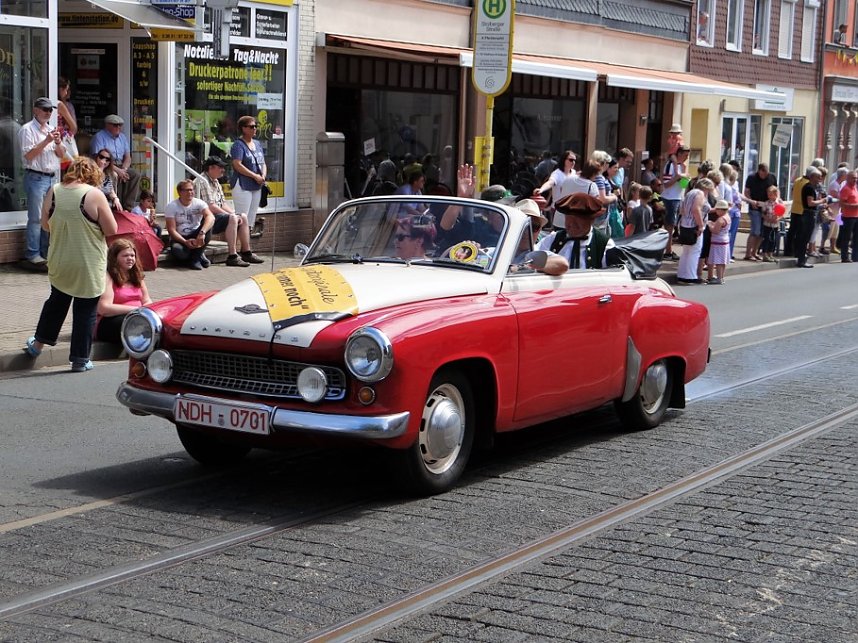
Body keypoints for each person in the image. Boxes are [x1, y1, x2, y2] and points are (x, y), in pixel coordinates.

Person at [22, 156, 117, 372]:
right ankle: (80, 359)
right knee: (86, 310)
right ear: (93, 175)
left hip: (60, 260)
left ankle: (37, 346)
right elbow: (111, 229)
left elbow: (45, 225)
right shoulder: (94, 194)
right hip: (87, 262)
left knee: (56, 303)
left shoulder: (54, 190)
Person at [18, 97, 66, 265]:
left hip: (52, 178)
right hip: (36, 177)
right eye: (45, 109)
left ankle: (45, 253)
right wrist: (46, 141)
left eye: (50, 110)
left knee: (49, 216)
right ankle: (33, 254)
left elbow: (61, 154)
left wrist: (58, 143)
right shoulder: (27, 130)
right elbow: (28, 155)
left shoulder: (52, 129)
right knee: (36, 217)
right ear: (35, 110)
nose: (48, 113)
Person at [194, 156, 264, 265]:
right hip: (204, 219)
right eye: (220, 167)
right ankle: (232, 256)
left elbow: (223, 204)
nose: (223, 170)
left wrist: (234, 213)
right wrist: (232, 216)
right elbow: (210, 206)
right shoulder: (202, 181)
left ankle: (246, 252)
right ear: (211, 168)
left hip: (216, 216)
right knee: (233, 218)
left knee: (243, 216)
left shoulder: (215, 181)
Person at [538, 193, 616, 270]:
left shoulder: (604, 245)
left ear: (591, 220)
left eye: (578, 219)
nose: (571, 223)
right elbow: (534, 258)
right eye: (568, 218)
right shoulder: (552, 240)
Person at [95, 238, 153, 344]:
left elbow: (147, 300)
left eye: (132, 255)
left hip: (136, 316)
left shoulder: (137, 276)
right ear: (114, 258)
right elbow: (103, 308)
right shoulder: (108, 277)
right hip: (110, 320)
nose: (130, 258)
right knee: (137, 325)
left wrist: (148, 311)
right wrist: (136, 310)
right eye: (125, 256)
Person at [89, 114, 141, 211]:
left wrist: (124, 169)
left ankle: (128, 207)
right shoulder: (99, 137)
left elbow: (128, 157)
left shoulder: (122, 137)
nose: (118, 127)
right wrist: (118, 171)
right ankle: (115, 206)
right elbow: (99, 158)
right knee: (115, 175)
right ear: (107, 125)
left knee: (135, 174)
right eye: (115, 125)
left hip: (121, 165)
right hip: (106, 164)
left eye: (120, 125)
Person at [165, 179, 218, 270]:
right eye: (187, 190)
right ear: (179, 192)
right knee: (179, 252)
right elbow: (171, 230)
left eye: (191, 190)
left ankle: (195, 259)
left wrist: (202, 233)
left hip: (196, 234)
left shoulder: (199, 203)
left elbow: (211, 217)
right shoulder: (172, 206)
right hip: (180, 237)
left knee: (209, 225)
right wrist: (185, 242)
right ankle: (199, 254)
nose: (190, 192)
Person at [230, 114, 267, 229]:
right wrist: (254, 176)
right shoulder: (238, 145)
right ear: (243, 128)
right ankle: (237, 240)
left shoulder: (257, 144)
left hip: (256, 185)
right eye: (251, 126)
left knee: (251, 219)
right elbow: (237, 164)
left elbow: (262, 162)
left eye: (255, 126)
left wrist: (263, 175)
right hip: (243, 185)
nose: (254, 128)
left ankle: (247, 240)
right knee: (242, 218)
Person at [676, 177, 715, 285]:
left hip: (685, 224)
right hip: (694, 225)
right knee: (694, 251)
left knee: (686, 251)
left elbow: (682, 210)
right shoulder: (700, 194)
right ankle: (690, 276)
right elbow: (695, 209)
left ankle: (682, 275)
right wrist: (701, 225)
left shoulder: (690, 193)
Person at [660, 145, 690, 261]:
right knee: (669, 226)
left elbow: (683, 185)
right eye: (685, 155)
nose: (687, 157)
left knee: (673, 226)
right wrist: (678, 176)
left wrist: (683, 176)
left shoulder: (682, 166)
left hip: (677, 197)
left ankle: (669, 249)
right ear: (679, 154)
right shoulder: (670, 165)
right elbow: (666, 184)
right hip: (669, 198)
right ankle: (668, 250)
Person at [743, 163, 777, 261]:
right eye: (763, 173)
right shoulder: (752, 177)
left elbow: (776, 190)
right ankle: (748, 253)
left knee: (762, 233)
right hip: (755, 206)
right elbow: (746, 191)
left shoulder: (772, 177)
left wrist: (777, 199)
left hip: (767, 207)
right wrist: (751, 201)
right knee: (756, 231)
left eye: (767, 173)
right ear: (759, 171)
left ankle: (755, 252)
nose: (765, 176)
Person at [534, 150, 576, 229]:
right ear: (564, 160)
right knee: (559, 231)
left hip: (570, 210)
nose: (573, 162)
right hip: (558, 209)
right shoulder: (557, 174)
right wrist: (541, 189)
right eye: (571, 160)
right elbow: (550, 183)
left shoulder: (574, 173)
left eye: (574, 160)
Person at [796, 168, 826, 268]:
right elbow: (810, 203)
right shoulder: (809, 188)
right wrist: (822, 201)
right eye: (818, 177)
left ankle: (802, 259)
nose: (820, 179)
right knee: (805, 238)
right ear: (812, 177)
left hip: (809, 213)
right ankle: (801, 260)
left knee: (806, 237)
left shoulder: (812, 187)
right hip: (808, 214)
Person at [706, 199, 731, 284]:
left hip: (718, 241)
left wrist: (709, 225)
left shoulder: (720, 219)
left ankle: (719, 278)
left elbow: (715, 231)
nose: (716, 211)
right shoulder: (727, 217)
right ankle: (722, 277)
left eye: (717, 209)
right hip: (725, 240)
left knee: (718, 261)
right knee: (723, 260)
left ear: (721, 209)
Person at [759, 185, 785, 263]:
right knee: (766, 239)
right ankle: (765, 255)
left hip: (775, 225)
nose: (769, 196)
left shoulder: (779, 202)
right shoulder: (766, 203)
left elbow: (782, 213)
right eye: (768, 195)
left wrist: (778, 219)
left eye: (771, 194)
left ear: (775, 194)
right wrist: (767, 218)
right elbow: (763, 213)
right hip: (767, 224)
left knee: (773, 240)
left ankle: (771, 254)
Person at [57, 77, 77, 172]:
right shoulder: (59, 104)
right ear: (60, 89)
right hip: (60, 141)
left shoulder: (44, 103)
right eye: (66, 90)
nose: (66, 93)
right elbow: (73, 127)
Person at [838, 170, 858, 262]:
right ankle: (844, 257)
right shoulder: (845, 189)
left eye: (856, 178)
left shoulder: (855, 188)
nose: (855, 180)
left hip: (856, 216)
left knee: (856, 237)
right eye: (853, 178)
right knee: (846, 237)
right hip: (848, 217)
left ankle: (855, 256)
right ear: (848, 178)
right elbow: (842, 204)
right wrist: (855, 206)